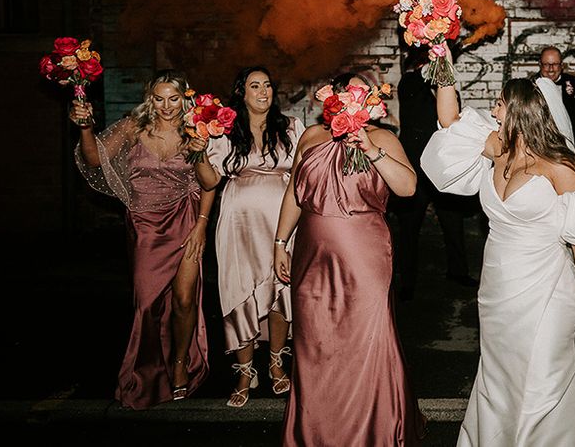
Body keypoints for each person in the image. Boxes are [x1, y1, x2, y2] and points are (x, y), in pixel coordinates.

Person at [421, 52, 575, 446]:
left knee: (546, 373)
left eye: (498, 103)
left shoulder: (559, 167)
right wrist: (441, 56)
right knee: (502, 372)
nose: (491, 109)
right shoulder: (497, 148)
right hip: (498, 284)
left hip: (548, 285)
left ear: (515, 111)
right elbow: (450, 121)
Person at [274, 72, 426, 446]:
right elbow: (295, 194)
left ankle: (374, 429)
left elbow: (407, 188)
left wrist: (370, 149)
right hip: (313, 252)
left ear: (370, 99)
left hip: (365, 253)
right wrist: (280, 241)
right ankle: (316, 432)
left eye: (360, 91)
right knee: (315, 342)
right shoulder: (311, 137)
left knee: (367, 340)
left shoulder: (383, 137)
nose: (351, 96)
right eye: (345, 90)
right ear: (334, 98)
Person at [71, 69, 213, 409]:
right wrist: (86, 126)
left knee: (184, 301)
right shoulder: (134, 127)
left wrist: (200, 227)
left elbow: (208, 184)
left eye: (174, 98)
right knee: (147, 304)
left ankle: (179, 367)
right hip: (146, 225)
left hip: (186, 219)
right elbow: (94, 158)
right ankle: (146, 372)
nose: (166, 106)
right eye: (159, 98)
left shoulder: (196, 131)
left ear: (185, 97)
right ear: (151, 98)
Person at [189, 66, 304, 407]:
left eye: (267, 85)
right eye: (255, 86)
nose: (263, 92)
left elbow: (302, 175)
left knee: (281, 288)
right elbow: (210, 180)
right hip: (239, 224)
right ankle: (244, 370)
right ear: (241, 92)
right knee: (239, 289)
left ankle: (276, 361)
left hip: (282, 222)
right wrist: (198, 151)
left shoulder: (291, 127)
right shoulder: (224, 130)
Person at [392, 49, 478, 301]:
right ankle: (406, 282)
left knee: (453, 222)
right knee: (409, 228)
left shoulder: (447, 88)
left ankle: (458, 272)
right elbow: (422, 79)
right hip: (416, 169)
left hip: (441, 167)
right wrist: (438, 59)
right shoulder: (409, 83)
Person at [538, 46, 575, 156]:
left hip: (571, 147)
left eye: (555, 64)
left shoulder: (572, 82)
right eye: (546, 64)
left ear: (561, 65)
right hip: (544, 149)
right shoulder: (532, 85)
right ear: (540, 64)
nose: (551, 69)